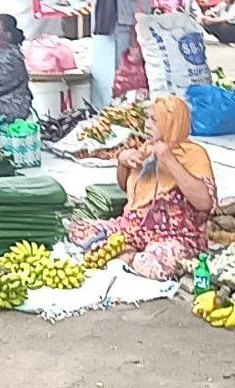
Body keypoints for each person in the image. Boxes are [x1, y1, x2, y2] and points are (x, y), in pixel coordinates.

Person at [69, 97, 216, 281]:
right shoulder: (145, 149)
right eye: (147, 118)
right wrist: (123, 162)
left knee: (156, 263)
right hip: (131, 229)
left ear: (173, 123)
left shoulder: (194, 155)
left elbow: (204, 202)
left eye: (155, 120)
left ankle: (128, 256)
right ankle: (127, 252)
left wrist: (169, 160)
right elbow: (126, 188)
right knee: (79, 229)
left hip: (173, 237)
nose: (147, 125)